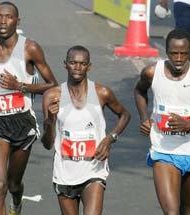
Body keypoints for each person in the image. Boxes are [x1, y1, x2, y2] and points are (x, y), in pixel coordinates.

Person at [0, 2, 57, 215]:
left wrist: (20, 86)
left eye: (8, 17)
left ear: (17, 21)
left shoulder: (30, 48)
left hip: (22, 123)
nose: (2, 22)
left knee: (13, 185)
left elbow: (53, 85)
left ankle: (17, 202)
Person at [134, 29, 190, 215]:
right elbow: (139, 91)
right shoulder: (151, 72)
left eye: (184, 53)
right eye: (174, 53)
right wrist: (144, 118)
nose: (179, 58)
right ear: (166, 51)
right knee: (172, 213)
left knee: (187, 211)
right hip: (164, 151)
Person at [41, 45, 130, 215]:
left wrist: (109, 138)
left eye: (82, 64)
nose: (77, 67)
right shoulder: (52, 96)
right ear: (65, 64)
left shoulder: (102, 92)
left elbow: (124, 114)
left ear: (89, 67)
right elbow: (47, 143)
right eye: (73, 63)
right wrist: (50, 120)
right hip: (65, 173)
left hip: (93, 170)